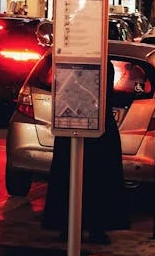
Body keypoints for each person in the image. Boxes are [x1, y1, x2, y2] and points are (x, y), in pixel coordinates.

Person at [43, 57, 129, 243]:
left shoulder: (68, 63)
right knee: (97, 178)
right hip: (97, 128)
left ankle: (69, 225)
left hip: (73, 125)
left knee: (69, 174)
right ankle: (94, 227)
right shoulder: (103, 64)